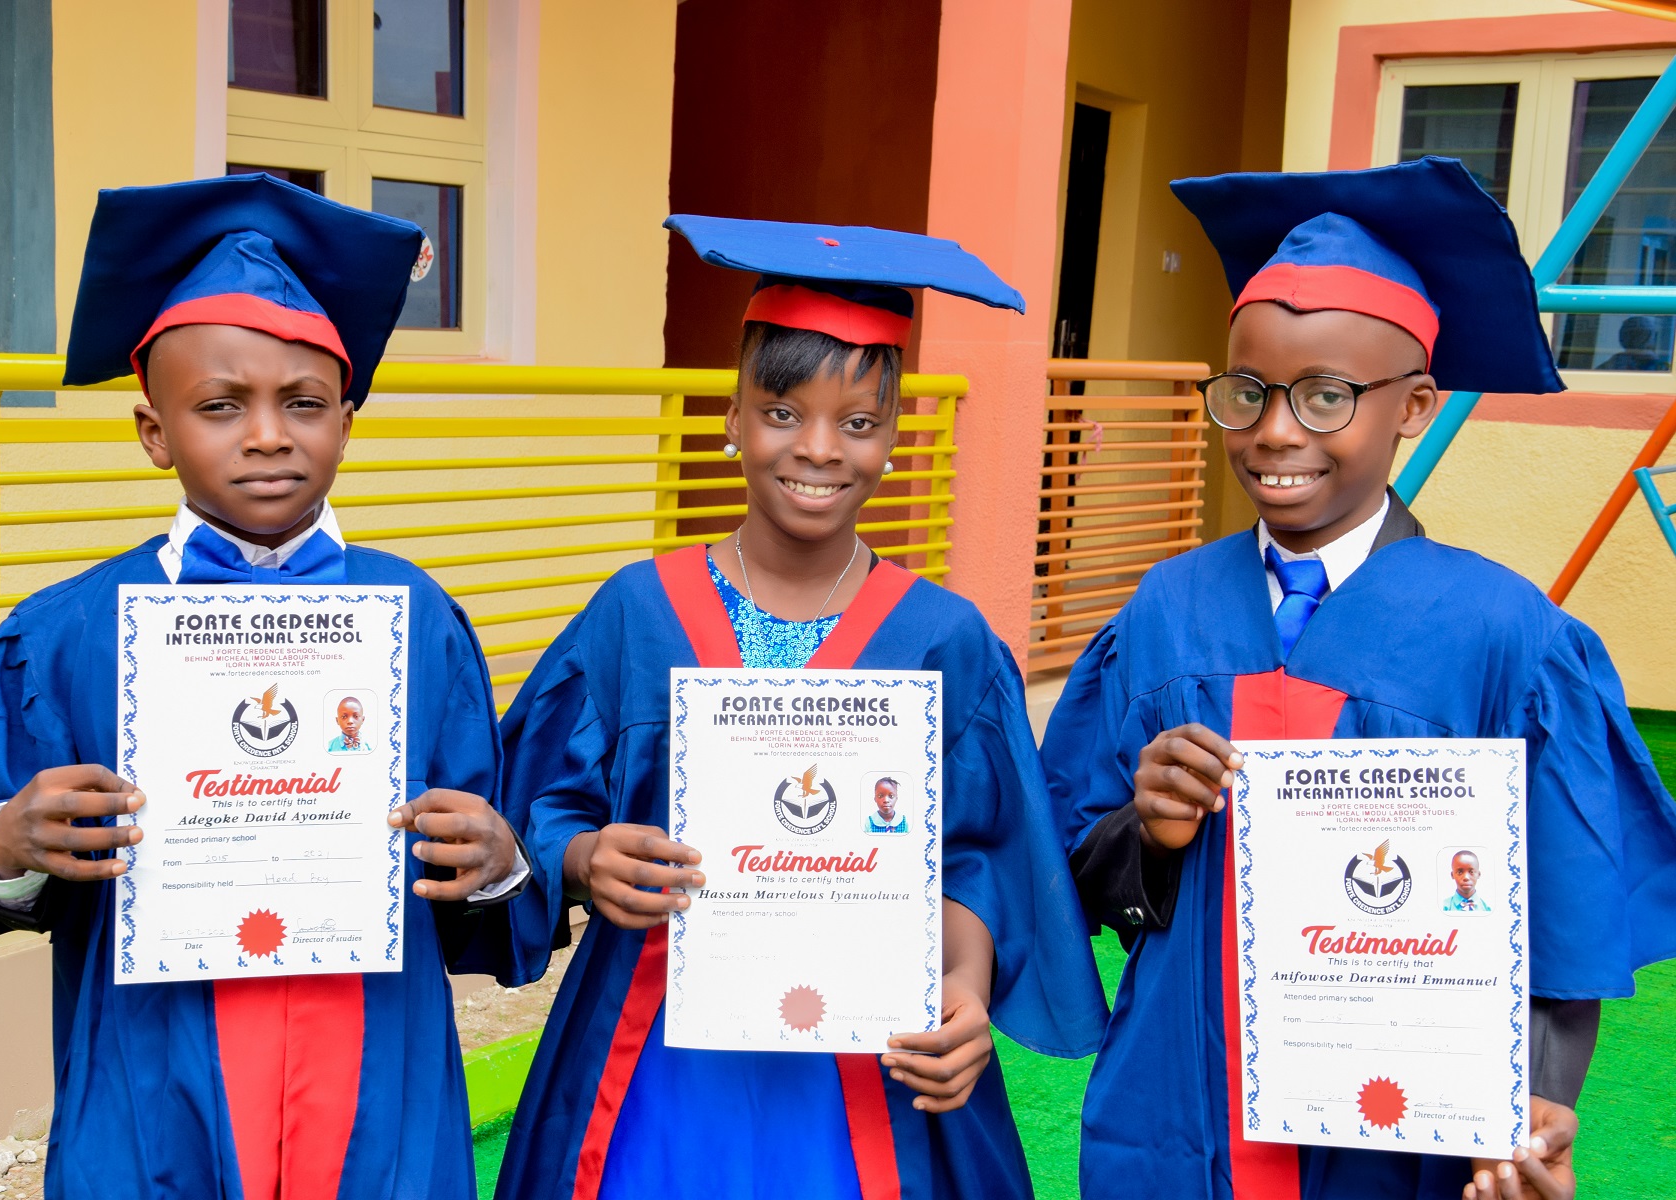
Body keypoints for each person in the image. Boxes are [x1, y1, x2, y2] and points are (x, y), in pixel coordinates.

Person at [1041, 157, 1676, 1200]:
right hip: (1176, 1110)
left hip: (1398, 1134)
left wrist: (1538, 1096)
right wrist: (1143, 832)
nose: (1276, 431)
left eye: (1327, 396)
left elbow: (1564, 907)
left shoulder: (1504, 633)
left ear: (1414, 405)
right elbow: (1067, 863)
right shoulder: (1164, 610)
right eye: (1247, 393)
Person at [0, 174, 532, 1200]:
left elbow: (483, 868)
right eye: (219, 405)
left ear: (348, 422)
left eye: (304, 403)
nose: (267, 434)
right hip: (155, 1070)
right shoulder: (66, 633)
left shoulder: (418, 620)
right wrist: (9, 841)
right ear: (153, 431)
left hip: (375, 1065)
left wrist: (498, 861)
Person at [493, 217, 1108, 1200]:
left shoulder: (943, 639)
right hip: (653, 1054)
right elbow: (533, 808)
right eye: (783, 412)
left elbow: (978, 862)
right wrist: (583, 858)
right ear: (733, 419)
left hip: (868, 1062)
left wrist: (964, 985)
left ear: (892, 438)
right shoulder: (636, 614)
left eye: (858, 422)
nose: (819, 449)